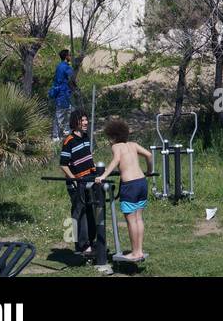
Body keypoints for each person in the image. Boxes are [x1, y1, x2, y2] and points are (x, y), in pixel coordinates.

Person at [97, 118, 153, 260]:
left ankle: (135, 252)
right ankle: (139, 250)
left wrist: (103, 175)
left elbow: (116, 160)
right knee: (139, 218)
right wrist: (149, 171)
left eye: (109, 138)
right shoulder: (133, 144)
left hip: (130, 186)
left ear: (114, 137)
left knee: (131, 220)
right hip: (141, 182)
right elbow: (149, 154)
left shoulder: (116, 147)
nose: (109, 142)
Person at [59, 110, 98, 255]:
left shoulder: (86, 137)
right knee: (79, 212)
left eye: (86, 120)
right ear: (76, 122)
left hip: (89, 179)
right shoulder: (68, 140)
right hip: (77, 182)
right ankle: (81, 245)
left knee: (90, 211)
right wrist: (73, 179)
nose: (86, 122)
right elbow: (63, 164)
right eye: (83, 120)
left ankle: (91, 241)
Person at [48, 49, 74, 141]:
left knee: (62, 115)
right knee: (62, 115)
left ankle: (59, 135)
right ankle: (57, 136)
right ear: (66, 57)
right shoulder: (66, 67)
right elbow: (72, 79)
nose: (70, 56)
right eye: (69, 55)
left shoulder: (59, 66)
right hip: (64, 94)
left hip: (60, 94)